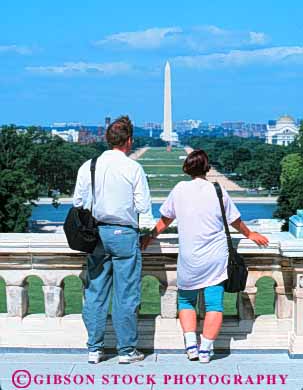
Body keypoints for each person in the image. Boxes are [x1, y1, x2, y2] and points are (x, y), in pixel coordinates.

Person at [141, 149, 269, 363]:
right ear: (207, 168)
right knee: (214, 305)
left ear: (187, 168)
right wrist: (250, 234)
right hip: (215, 258)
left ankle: (191, 346)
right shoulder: (217, 190)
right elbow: (235, 221)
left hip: (190, 258)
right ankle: (206, 350)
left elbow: (165, 220)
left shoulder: (180, 189)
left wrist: (150, 236)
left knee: (186, 301)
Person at [73, 116, 151, 364]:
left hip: (95, 234)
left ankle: (94, 349)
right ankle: (126, 351)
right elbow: (143, 208)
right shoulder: (133, 168)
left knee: (95, 293)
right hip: (124, 234)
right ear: (129, 141)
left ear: (108, 140)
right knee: (126, 295)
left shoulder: (89, 165)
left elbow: (78, 203)